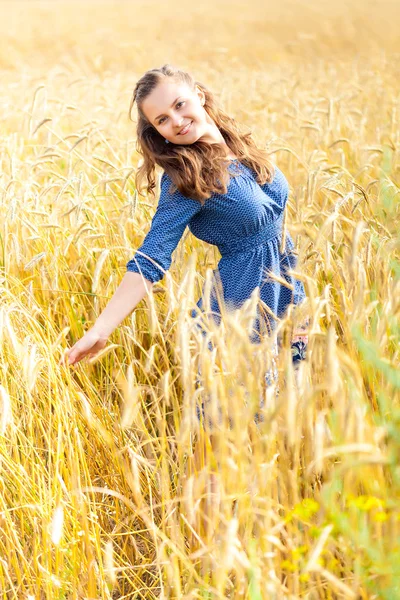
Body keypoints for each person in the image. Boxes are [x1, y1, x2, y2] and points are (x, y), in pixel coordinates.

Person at [63, 64, 309, 403]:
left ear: (200, 95)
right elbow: (151, 258)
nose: (176, 121)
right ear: (157, 132)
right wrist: (101, 329)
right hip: (242, 312)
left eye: (179, 105)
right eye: (162, 120)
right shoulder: (184, 180)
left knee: (292, 418)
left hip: (290, 296)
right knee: (237, 432)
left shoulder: (242, 148)